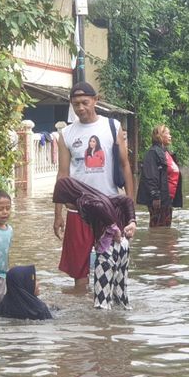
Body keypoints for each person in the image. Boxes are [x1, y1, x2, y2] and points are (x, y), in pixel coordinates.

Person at [53, 81, 136, 291]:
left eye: (84, 102)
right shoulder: (67, 134)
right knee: (79, 270)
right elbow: (63, 175)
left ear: (95, 100)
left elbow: (126, 166)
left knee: (111, 265)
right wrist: (57, 214)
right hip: (77, 210)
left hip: (109, 207)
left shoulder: (112, 126)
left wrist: (130, 208)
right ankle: (83, 319)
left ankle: (104, 316)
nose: (80, 108)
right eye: (75, 104)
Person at [53, 177, 135, 309]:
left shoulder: (83, 201)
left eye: (64, 202)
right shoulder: (97, 194)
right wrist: (132, 222)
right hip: (123, 247)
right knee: (121, 299)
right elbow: (127, 200)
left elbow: (98, 206)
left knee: (101, 304)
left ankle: (101, 328)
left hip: (108, 249)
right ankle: (120, 327)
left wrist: (112, 227)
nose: (66, 206)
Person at [137, 125, 183, 227]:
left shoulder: (165, 152)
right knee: (158, 227)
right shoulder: (153, 153)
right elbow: (151, 176)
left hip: (167, 199)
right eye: (167, 133)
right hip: (159, 199)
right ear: (159, 136)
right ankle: (156, 243)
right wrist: (155, 196)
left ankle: (162, 243)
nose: (170, 136)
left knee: (165, 228)